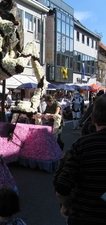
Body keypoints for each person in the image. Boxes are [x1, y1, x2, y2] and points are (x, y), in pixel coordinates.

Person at [55, 94, 106, 225]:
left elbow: (62, 187)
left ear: (93, 118)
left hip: (84, 217)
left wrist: (65, 206)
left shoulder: (81, 145)